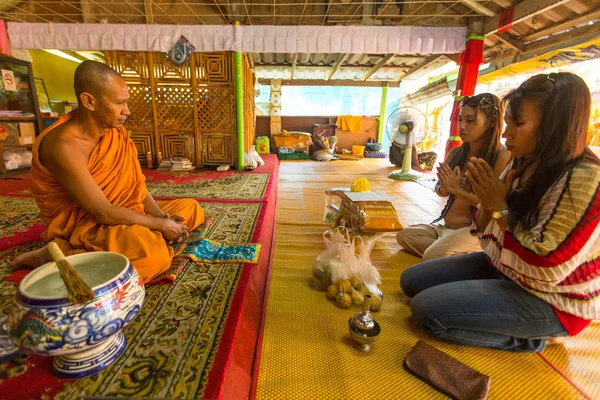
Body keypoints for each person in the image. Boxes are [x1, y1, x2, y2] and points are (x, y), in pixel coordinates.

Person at [400, 72, 600, 352]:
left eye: (518, 123)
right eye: (508, 124)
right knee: (411, 280)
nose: (507, 134)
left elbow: (547, 265)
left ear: (555, 125)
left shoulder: (584, 178)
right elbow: (483, 226)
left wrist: (498, 207)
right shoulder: (522, 161)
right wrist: (484, 202)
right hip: (505, 266)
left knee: (427, 310)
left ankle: (530, 338)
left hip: (551, 297)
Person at [10, 61, 204, 283]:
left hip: (123, 213)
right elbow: (101, 211)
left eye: (126, 102)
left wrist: (160, 216)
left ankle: (145, 238)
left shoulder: (115, 133)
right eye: (119, 103)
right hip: (88, 224)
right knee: (154, 256)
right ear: (89, 101)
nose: (127, 111)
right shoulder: (63, 146)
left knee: (191, 208)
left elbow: (135, 186)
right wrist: (159, 226)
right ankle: (61, 254)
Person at [396, 93, 510, 260]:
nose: (462, 126)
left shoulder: (501, 156)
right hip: (447, 227)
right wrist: (443, 187)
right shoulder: (457, 153)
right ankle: (456, 253)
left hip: (475, 231)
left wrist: (458, 189)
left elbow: (492, 205)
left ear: (491, 123)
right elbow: (441, 190)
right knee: (405, 236)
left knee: (431, 255)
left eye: (470, 121)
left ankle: (458, 252)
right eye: (460, 120)